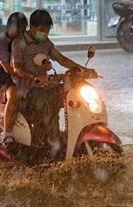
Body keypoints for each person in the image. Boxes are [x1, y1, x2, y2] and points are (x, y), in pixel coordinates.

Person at [10, 9, 96, 149]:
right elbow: (16, 68)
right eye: (42, 30)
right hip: (27, 92)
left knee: (73, 94)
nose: (45, 33)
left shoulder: (46, 43)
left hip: (45, 87)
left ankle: (73, 135)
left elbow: (61, 59)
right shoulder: (19, 43)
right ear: (32, 27)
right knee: (49, 102)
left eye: (47, 30)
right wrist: (35, 77)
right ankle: (53, 143)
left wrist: (83, 70)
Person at [0, 12, 28, 148]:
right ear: (10, 27)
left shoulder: (25, 41)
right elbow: (8, 69)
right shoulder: (2, 42)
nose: (20, 33)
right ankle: (7, 133)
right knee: (14, 95)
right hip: (2, 78)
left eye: (23, 30)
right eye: (18, 30)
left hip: (20, 75)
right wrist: (31, 75)